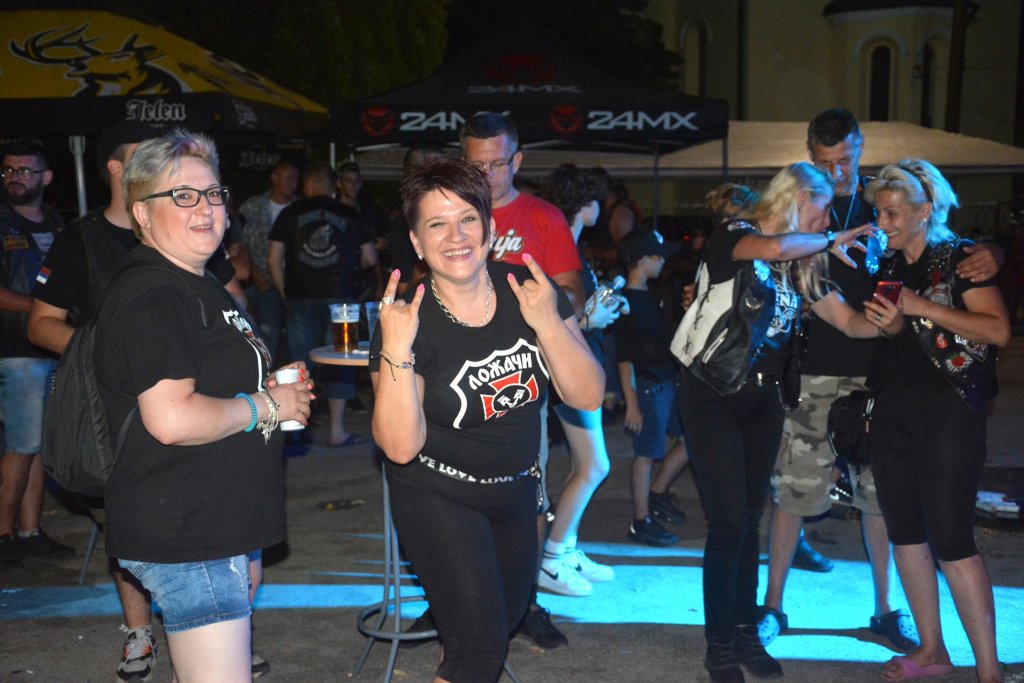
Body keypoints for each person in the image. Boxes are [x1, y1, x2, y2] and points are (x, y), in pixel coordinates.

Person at [761, 109, 1003, 650]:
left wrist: (994, 253)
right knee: (796, 490)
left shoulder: (885, 200)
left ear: (860, 149)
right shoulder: (808, 200)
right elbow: (766, 243)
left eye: (845, 160)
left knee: (881, 500)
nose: (837, 172)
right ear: (809, 154)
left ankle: (886, 609)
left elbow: (942, 240)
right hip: (818, 368)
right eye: (826, 161)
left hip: (880, 373)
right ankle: (772, 605)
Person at [369, 155, 603, 682]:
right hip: (437, 492)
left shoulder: (530, 289)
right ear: (417, 241)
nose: (456, 236)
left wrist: (548, 323)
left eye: (467, 219)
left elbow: (587, 395)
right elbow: (400, 446)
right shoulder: (408, 319)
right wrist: (397, 350)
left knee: (501, 624)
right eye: (437, 224)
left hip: (516, 489)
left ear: (490, 229)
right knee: (477, 651)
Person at [93, 129, 313, 683]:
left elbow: (212, 380)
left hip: (216, 520)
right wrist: (266, 404)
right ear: (142, 213)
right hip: (189, 530)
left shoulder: (197, 280)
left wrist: (270, 389)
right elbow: (172, 419)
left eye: (213, 194)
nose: (205, 208)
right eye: (182, 196)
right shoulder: (157, 293)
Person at [673, 162, 887, 683]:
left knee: (748, 522)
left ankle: (744, 630)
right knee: (728, 524)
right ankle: (720, 644)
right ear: (799, 197)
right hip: (711, 395)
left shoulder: (802, 264)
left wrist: (896, 318)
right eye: (822, 209)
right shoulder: (736, 235)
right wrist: (829, 239)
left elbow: (848, 323)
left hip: (764, 400)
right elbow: (771, 247)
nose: (826, 221)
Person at [863, 160, 1009, 683]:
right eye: (879, 213)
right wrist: (895, 324)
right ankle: (932, 650)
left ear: (925, 210)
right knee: (905, 533)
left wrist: (920, 306)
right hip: (893, 409)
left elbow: (996, 331)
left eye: (892, 213)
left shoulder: (961, 258)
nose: (882, 223)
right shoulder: (890, 263)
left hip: (948, 411)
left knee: (952, 538)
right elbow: (901, 334)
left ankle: (989, 670)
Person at [460, 112, 583, 647]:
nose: (487, 175)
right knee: (455, 497)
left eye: (497, 164)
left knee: (526, 494)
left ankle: (524, 601)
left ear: (517, 161)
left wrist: (521, 301)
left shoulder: (543, 217)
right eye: (476, 165)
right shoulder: (449, 213)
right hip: (452, 379)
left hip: (519, 379)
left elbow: (572, 293)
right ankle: (452, 602)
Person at [535, 164, 622, 596]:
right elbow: (552, 320)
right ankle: (551, 558)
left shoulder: (568, 245)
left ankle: (565, 548)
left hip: (575, 367)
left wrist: (598, 311)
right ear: (584, 204)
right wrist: (591, 320)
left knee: (583, 465)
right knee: (594, 465)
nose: (600, 209)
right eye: (596, 201)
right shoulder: (559, 246)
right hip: (566, 370)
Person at [267, 161, 376, 446]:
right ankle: (337, 431)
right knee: (340, 362)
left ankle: (294, 430)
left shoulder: (290, 212)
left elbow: (273, 259)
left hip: (300, 296)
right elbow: (370, 258)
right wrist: (350, 271)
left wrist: (285, 292)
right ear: (333, 185)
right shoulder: (348, 213)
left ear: (308, 185)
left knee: (299, 363)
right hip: (340, 299)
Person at [0, 139, 70, 570]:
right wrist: (43, 311)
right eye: (8, 170)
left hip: (49, 346)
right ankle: (3, 533)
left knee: (39, 445)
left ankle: (29, 531)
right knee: (21, 445)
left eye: (24, 170)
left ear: (46, 177)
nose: (14, 178)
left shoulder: (57, 222)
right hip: (15, 350)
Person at [615, 229, 690, 548]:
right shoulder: (626, 303)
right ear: (642, 259)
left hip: (666, 382)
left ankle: (657, 494)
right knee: (646, 453)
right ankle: (640, 520)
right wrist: (631, 403)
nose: (662, 262)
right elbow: (624, 359)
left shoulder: (650, 294)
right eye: (657, 256)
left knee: (689, 440)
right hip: (648, 387)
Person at [236, 160, 299, 363]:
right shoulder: (252, 206)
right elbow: (240, 243)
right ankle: (265, 376)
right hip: (264, 283)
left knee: (297, 340)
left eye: (296, 179)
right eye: (289, 178)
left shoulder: (300, 208)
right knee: (267, 336)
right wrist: (255, 273)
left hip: (294, 284)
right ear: (274, 178)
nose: (294, 183)